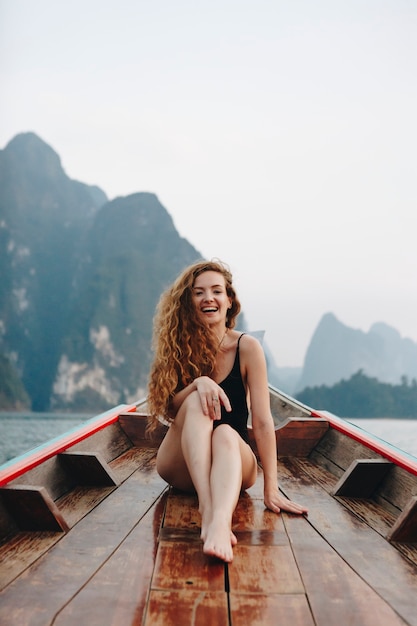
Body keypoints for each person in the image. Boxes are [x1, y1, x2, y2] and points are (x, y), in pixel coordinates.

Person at [147, 259, 308, 563]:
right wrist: (199, 383)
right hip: (183, 466)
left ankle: (220, 523)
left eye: (217, 291)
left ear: (229, 300)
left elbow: (261, 421)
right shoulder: (177, 346)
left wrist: (271, 488)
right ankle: (208, 508)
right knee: (197, 400)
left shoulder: (247, 348)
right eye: (198, 292)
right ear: (188, 302)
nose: (209, 298)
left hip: (233, 460)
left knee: (224, 432)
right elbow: (167, 409)